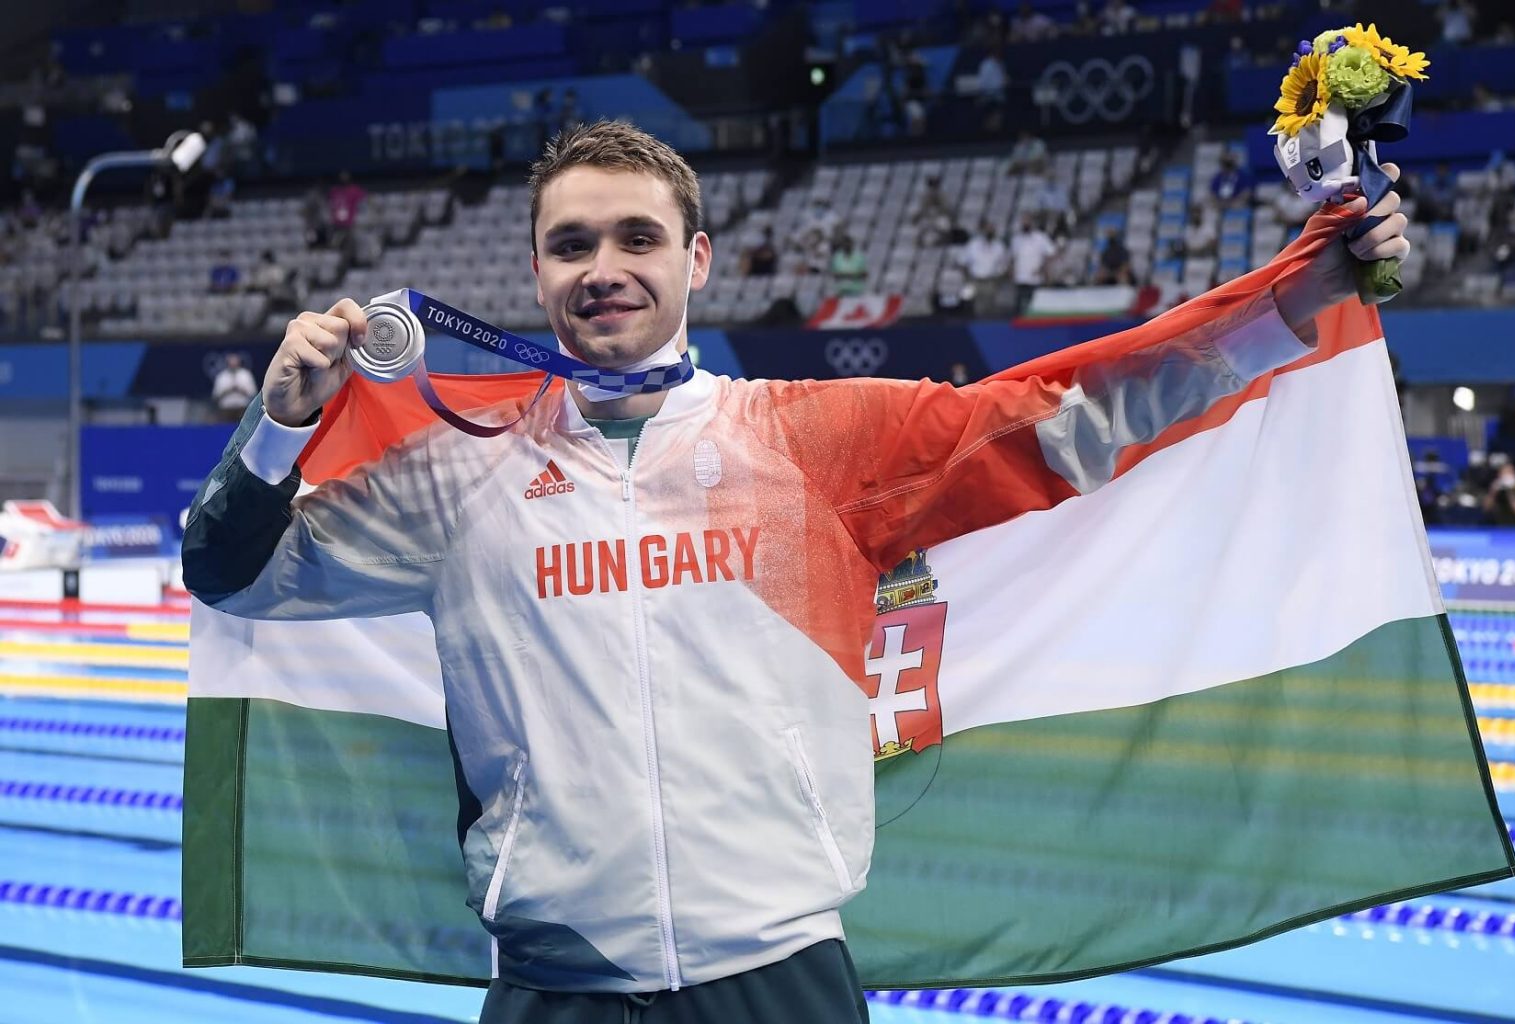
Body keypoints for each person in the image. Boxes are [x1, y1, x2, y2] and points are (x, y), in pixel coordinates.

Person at [179, 121, 1412, 1024]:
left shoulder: (813, 440)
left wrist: (1299, 295)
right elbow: (231, 574)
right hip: (552, 986)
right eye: (571, 243)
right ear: (538, 271)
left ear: (699, 259)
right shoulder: (460, 476)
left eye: (637, 236)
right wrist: (281, 424)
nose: (603, 265)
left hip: (779, 979)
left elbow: (1064, 414)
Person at [1009, 213, 1057, 312]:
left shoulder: (1041, 238)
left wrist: (1042, 268)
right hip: (1020, 278)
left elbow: (1051, 254)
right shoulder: (1016, 239)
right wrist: (1012, 271)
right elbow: (1013, 258)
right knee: (1019, 308)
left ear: (1032, 222)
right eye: (1023, 221)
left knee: (1035, 307)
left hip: (1035, 279)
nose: (1025, 223)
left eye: (1027, 221)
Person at [210, 351, 257, 422]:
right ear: (227, 363)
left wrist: (240, 390)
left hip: (242, 408)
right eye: (231, 362)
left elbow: (253, 393)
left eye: (235, 362)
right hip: (226, 409)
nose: (233, 364)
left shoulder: (246, 375)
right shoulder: (221, 376)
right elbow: (215, 396)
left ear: (239, 362)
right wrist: (228, 391)